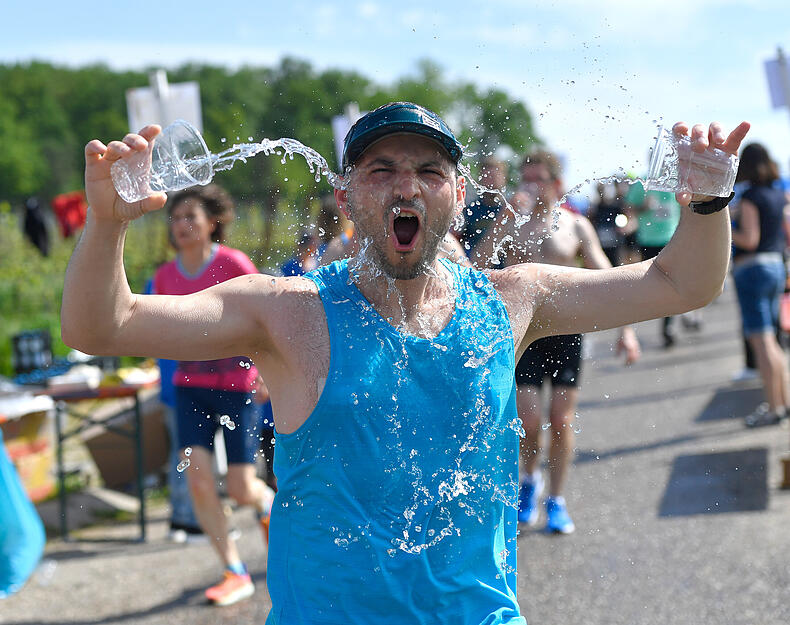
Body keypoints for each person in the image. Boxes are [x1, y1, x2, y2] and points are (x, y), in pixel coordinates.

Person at [62, 101, 749, 624]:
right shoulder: (287, 311)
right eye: (381, 169)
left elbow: (679, 284)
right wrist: (107, 223)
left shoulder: (514, 300)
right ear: (347, 198)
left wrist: (710, 202)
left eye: (428, 170)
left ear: (456, 196)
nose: (406, 186)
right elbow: (102, 323)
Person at [471, 149, 641, 533]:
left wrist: (626, 331)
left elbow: (607, 278)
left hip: (566, 331)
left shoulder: (574, 226)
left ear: (557, 184)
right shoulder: (510, 223)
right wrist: (501, 221)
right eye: (525, 179)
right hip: (523, 332)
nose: (531, 187)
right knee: (528, 422)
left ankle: (557, 500)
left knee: (560, 421)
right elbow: (475, 264)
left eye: (538, 179)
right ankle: (528, 481)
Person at [150, 185, 275, 605]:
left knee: (240, 488)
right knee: (200, 482)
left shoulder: (234, 263)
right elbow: (159, 334)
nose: (182, 224)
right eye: (176, 217)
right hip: (189, 390)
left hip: (237, 389)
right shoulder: (164, 277)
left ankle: (268, 505)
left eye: (191, 216)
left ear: (211, 222)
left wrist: (269, 373)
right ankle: (234, 569)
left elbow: (269, 319)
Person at [730, 143, 790, 427]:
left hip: (752, 269)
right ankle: (783, 403)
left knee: (762, 340)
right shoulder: (779, 195)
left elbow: (749, 240)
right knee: (773, 341)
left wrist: (726, 228)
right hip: (776, 265)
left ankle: (774, 409)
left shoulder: (751, 197)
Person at [454, 156, 508, 255]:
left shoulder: (509, 210)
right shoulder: (469, 210)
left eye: (494, 177)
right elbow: (455, 241)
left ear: (504, 179)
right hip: (474, 263)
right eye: (487, 177)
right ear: (479, 179)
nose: (491, 183)